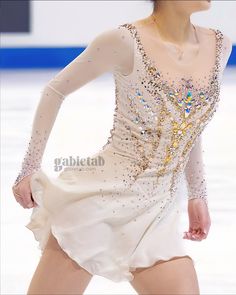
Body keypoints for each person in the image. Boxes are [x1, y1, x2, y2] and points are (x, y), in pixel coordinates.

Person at [12, 0, 232, 294]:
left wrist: (197, 194)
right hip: (99, 204)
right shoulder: (124, 40)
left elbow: (188, 124)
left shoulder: (219, 45)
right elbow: (55, 90)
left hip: (158, 216)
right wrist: (29, 167)